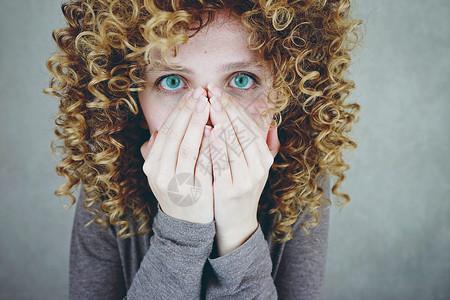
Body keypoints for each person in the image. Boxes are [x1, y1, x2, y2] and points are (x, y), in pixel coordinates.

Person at [44, 0, 362, 299]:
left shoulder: (301, 185)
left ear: (282, 91)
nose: (208, 117)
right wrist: (181, 229)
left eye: (241, 80)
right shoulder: (107, 185)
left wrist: (239, 230)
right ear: (132, 100)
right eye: (172, 81)